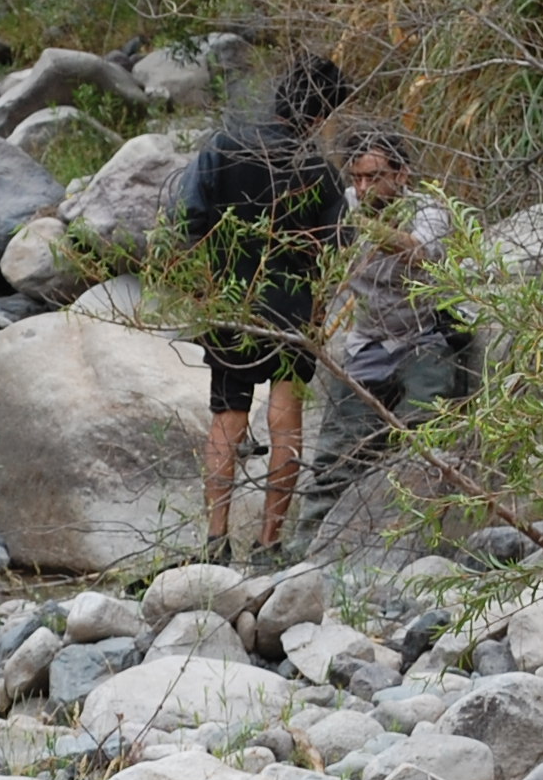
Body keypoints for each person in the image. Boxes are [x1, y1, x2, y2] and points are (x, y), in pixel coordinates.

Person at [183, 49, 351, 564]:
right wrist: (318, 318)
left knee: (227, 417)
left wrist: (205, 290)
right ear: (319, 116)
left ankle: (216, 542)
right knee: (286, 424)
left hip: (230, 303)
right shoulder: (321, 171)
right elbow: (335, 250)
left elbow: (190, 219)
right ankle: (268, 544)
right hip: (294, 310)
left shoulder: (223, 148)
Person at [296, 126, 472, 543]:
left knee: (427, 436)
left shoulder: (428, 210)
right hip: (368, 343)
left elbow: (418, 251)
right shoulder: (344, 207)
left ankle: (421, 540)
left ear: (401, 175)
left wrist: (364, 225)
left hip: (424, 337)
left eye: (373, 177)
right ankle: (306, 547)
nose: (363, 187)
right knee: (334, 453)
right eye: (355, 178)